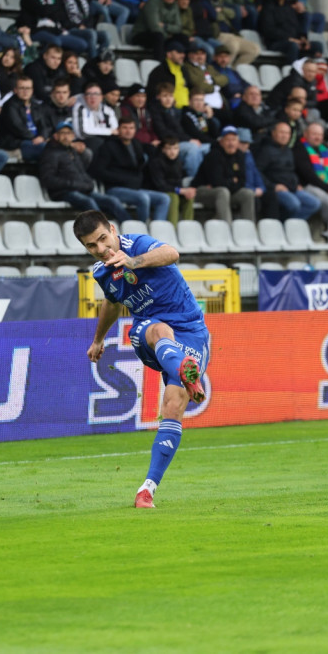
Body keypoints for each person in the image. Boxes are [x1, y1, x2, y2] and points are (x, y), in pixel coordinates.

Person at [75, 209, 210, 508]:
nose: (101, 249)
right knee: (158, 329)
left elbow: (172, 253)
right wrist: (98, 340)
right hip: (148, 333)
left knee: (173, 406)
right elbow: (111, 304)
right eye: (91, 246)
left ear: (112, 229)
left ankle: (147, 489)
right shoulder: (102, 272)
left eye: (102, 239)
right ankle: (187, 372)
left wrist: (133, 262)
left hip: (191, 332)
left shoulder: (137, 244)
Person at [39, 120, 130, 220]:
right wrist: (73, 184)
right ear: (56, 136)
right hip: (63, 192)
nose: (66, 137)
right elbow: (47, 179)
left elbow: (81, 172)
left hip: (81, 190)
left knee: (112, 201)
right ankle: (102, 232)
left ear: (73, 136)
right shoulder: (50, 153)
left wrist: (88, 183)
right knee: (88, 202)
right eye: (62, 133)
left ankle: (131, 232)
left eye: (69, 133)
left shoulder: (72, 151)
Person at [90, 117, 171, 222]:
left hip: (135, 188)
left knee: (164, 198)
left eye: (131, 128)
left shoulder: (136, 144)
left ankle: (157, 228)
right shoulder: (108, 146)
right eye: (125, 128)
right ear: (118, 129)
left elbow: (141, 166)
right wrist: (122, 179)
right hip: (115, 188)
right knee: (143, 198)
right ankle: (143, 231)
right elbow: (99, 171)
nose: (128, 131)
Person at [256, 121, 320, 221]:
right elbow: (257, 172)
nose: (285, 136)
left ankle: (289, 226)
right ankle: (281, 226)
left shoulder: (288, 151)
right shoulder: (265, 150)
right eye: (282, 132)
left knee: (314, 204)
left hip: (292, 188)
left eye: (287, 133)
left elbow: (291, 170)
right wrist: (273, 186)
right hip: (276, 189)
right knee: (294, 204)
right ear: (274, 133)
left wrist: (297, 183)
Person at [191, 125, 256, 222]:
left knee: (248, 193)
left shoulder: (240, 155)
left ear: (238, 142)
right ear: (221, 142)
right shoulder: (213, 155)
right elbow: (217, 182)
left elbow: (242, 181)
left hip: (227, 192)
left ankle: (249, 229)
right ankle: (227, 227)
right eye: (228, 140)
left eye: (233, 140)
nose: (231, 143)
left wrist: (231, 182)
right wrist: (233, 181)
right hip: (202, 191)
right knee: (222, 191)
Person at [0, 75, 51, 162]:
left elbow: (44, 125)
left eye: (28, 88)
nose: (25, 91)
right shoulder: (9, 106)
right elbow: (18, 128)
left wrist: (42, 136)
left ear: (32, 90)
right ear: (15, 90)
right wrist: (36, 138)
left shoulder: (36, 106)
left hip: (34, 141)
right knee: (47, 149)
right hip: (16, 143)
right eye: (22, 88)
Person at [145, 135, 194, 225]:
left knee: (189, 198)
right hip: (157, 191)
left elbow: (181, 181)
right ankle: (173, 227)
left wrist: (187, 190)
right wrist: (179, 190)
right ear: (163, 149)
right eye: (169, 149)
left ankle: (188, 228)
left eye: (175, 148)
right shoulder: (156, 162)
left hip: (173, 190)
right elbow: (160, 185)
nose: (173, 152)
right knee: (173, 197)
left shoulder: (179, 162)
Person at [71, 81, 118, 151]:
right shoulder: (80, 108)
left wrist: (107, 131)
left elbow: (115, 129)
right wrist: (108, 131)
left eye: (96, 94)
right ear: (84, 97)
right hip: (85, 142)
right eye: (89, 94)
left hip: (104, 140)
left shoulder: (108, 110)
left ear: (101, 97)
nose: (93, 97)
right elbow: (82, 133)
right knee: (98, 142)